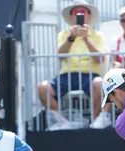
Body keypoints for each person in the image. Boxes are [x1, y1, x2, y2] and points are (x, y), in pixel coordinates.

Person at [37, 0, 107, 130]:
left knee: (99, 83)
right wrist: (71, 37)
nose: (80, 15)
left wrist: (87, 39)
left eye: (83, 12)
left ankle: (96, 122)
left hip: (89, 75)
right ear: (71, 16)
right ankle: (61, 122)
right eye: (76, 12)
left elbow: (101, 59)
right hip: (67, 75)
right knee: (43, 88)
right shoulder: (64, 35)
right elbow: (60, 56)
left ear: (89, 15)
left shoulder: (98, 35)